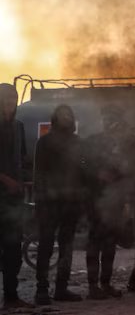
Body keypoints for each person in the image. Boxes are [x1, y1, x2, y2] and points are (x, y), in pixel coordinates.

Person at [33, 104, 87, 304]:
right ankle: (41, 290)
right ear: (55, 118)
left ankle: (61, 289)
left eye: (68, 115)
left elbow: (83, 171)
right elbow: (39, 173)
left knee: (66, 246)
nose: (66, 117)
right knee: (46, 245)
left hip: (70, 202)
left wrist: (81, 198)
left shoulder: (77, 142)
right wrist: (40, 200)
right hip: (50, 202)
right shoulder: (45, 142)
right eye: (62, 114)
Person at [81, 107, 129, 300]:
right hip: (96, 200)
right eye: (107, 119)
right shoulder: (92, 142)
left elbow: (127, 171)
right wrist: (97, 174)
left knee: (110, 244)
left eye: (113, 120)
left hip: (115, 201)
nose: (110, 123)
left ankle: (106, 283)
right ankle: (93, 286)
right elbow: (82, 165)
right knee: (95, 241)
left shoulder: (122, 145)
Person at [1, 83, 32, 309]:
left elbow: (22, 159)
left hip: (13, 199)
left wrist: (24, 180)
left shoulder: (19, 126)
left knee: (13, 248)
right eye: (6, 97)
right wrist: (6, 180)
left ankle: (11, 297)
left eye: (13, 97)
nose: (10, 101)